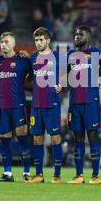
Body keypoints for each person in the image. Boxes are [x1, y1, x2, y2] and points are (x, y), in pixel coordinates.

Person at [26, 28, 64, 183]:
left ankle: (57, 175)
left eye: (41, 40)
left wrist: (62, 83)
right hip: (36, 104)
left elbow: (67, 72)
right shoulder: (32, 57)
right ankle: (39, 175)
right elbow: (27, 74)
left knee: (55, 138)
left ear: (48, 40)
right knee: (37, 139)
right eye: (36, 40)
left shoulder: (57, 56)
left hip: (52, 103)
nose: (38, 43)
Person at [66, 25, 101, 184]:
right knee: (78, 138)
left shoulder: (97, 53)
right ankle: (79, 175)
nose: (77, 37)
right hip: (75, 102)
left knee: (93, 137)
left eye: (80, 34)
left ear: (89, 36)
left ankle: (95, 176)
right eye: (75, 34)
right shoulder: (70, 54)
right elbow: (65, 75)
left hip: (91, 102)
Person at [0, 31, 33, 182]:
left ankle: (26, 172)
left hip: (18, 105)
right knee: (5, 140)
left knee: (23, 139)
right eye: (2, 42)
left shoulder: (22, 60)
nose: (4, 44)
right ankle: (7, 173)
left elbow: (34, 74)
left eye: (7, 42)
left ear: (14, 44)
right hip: (2, 107)